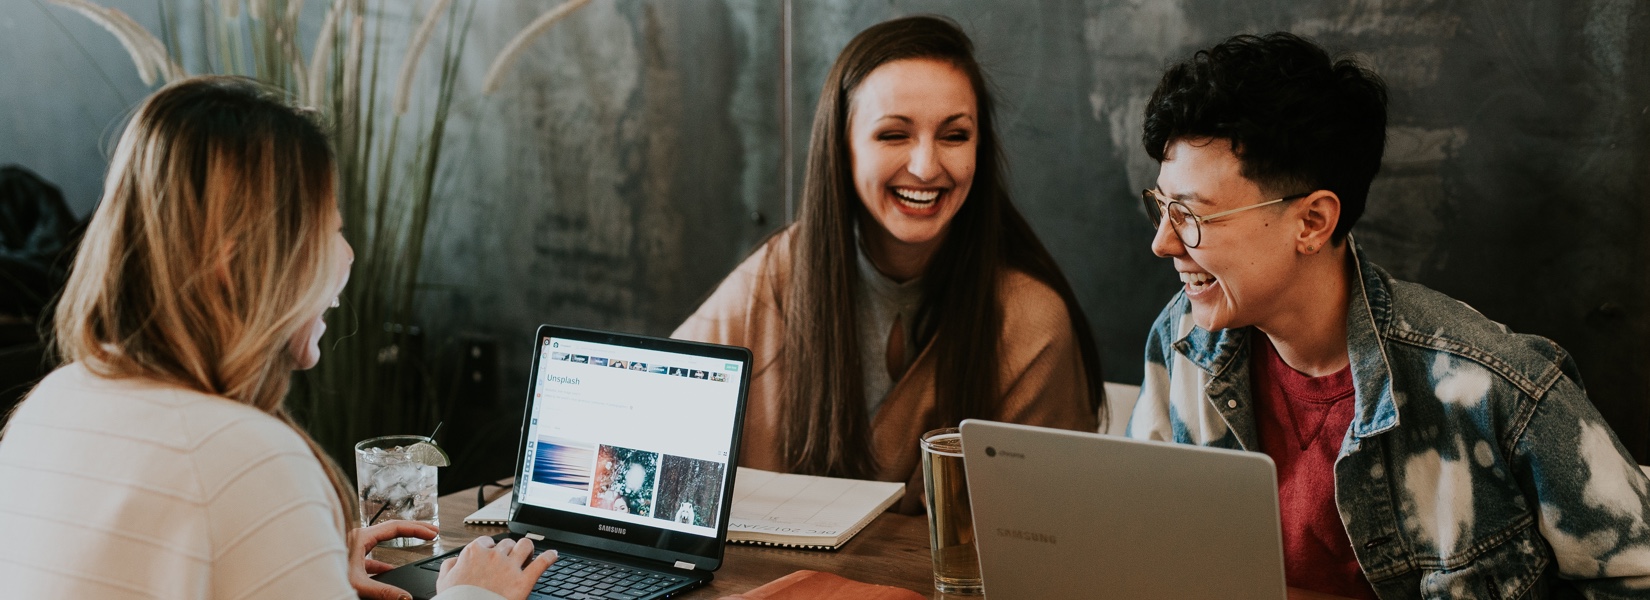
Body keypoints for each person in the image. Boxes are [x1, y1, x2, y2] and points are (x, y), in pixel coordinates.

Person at [1127, 32, 1650, 598]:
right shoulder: (1182, 338)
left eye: (1190, 214)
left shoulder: (1495, 390)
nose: (1162, 243)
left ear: (1312, 222)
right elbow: (1143, 539)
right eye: (1162, 205)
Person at [0, 76, 555, 600]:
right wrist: (473, 592)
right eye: (330, 231)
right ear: (239, 264)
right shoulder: (246, 459)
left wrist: (296, 560)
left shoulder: (50, 402)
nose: (348, 255)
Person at [674, 15, 1103, 513]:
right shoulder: (775, 277)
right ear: (843, 147)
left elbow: (1047, 533)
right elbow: (652, 411)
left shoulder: (1031, 322)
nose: (925, 166)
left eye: (955, 135)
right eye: (893, 135)